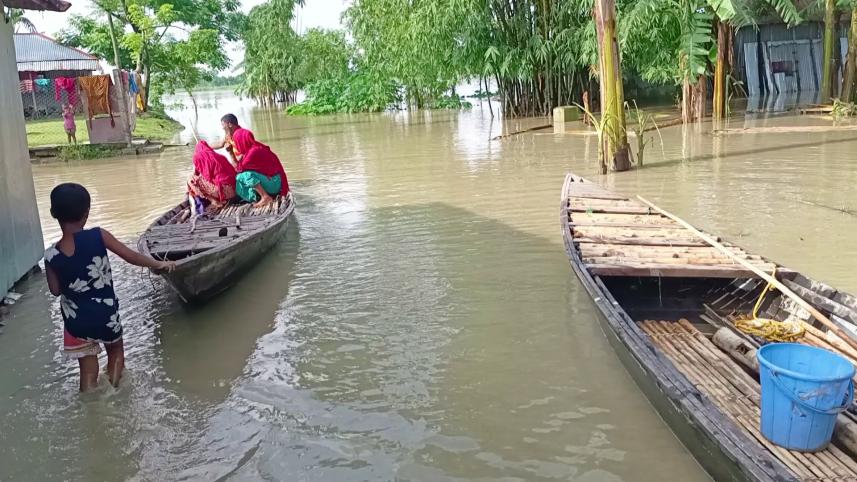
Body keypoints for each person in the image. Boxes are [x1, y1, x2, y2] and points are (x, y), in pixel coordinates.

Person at [44, 183, 175, 392]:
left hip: (75, 321)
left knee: (87, 371)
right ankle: (113, 390)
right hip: (104, 314)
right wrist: (159, 264)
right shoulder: (99, 236)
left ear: (53, 214)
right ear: (86, 213)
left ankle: (90, 402)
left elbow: (55, 290)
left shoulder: (51, 255)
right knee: (115, 352)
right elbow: (131, 257)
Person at [232, 128, 290, 207]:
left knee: (243, 176)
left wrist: (230, 153)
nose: (236, 144)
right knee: (243, 176)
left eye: (236, 142)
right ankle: (259, 196)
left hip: (274, 182)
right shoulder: (254, 147)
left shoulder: (253, 151)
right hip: (274, 181)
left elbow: (238, 169)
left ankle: (265, 197)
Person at [187, 141, 237, 208]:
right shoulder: (220, 156)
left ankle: (213, 201)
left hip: (222, 192)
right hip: (234, 190)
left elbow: (194, 174)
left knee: (191, 180)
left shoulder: (197, 157)